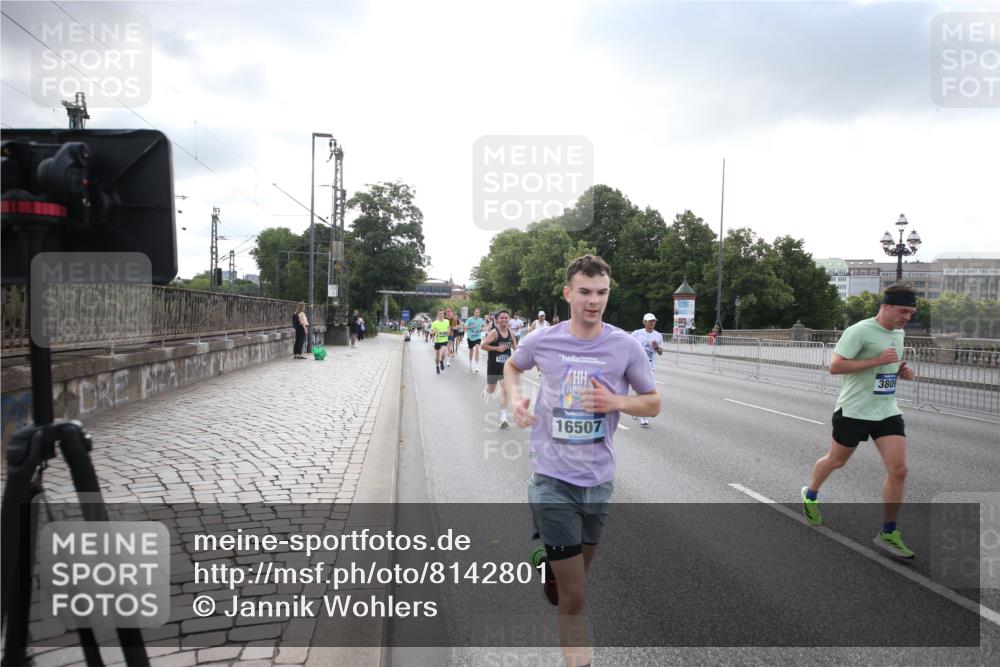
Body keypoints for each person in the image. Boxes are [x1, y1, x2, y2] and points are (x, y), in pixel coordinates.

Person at [505, 255, 660, 667]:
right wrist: (515, 397)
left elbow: (654, 403)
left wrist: (617, 401)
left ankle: (549, 567)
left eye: (602, 293)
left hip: (599, 481)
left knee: (574, 578)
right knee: (575, 596)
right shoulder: (544, 340)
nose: (594, 301)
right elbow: (511, 366)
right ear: (568, 293)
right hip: (552, 480)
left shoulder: (624, 346)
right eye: (586, 292)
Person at [801, 283, 918, 559]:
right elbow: (835, 366)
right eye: (903, 311)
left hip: (886, 409)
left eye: (911, 313)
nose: (907, 318)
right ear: (886, 306)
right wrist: (877, 360)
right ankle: (811, 493)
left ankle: (888, 532)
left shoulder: (899, 333)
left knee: (899, 470)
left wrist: (900, 370)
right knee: (836, 460)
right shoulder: (859, 331)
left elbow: (889, 364)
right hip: (854, 410)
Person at [481, 309, 517, 427]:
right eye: (502, 318)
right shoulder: (494, 333)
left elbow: (515, 347)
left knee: (505, 389)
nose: (504, 319)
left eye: (506, 317)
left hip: (506, 366)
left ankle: (503, 418)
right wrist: (497, 349)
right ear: (497, 320)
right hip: (493, 366)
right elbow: (483, 345)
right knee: (492, 389)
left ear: (509, 319)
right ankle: (487, 389)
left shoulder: (511, 332)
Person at [630, 313, 664, 427]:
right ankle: (642, 416)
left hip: (650, 366)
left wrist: (657, 348)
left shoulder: (658, 335)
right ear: (644, 322)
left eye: (653, 321)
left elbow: (660, 353)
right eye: (649, 321)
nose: (652, 323)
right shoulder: (637, 333)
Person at [465, 308, 486, 372]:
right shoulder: (470, 319)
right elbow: (465, 327)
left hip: (477, 337)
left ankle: (476, 366)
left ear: (479, 313)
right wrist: (471, 326)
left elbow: (484, 326)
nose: (477, 313)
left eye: (478, 312)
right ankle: (471, 363)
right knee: (471, 351)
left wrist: (483, 329)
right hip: (470, 337)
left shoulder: (481, 319)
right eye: (476, 312)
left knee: (477, 350)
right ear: (474, 313)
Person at [431, 309, 450, 374]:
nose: (441, 315)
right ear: (437, 315)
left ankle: (441, 361)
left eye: (442, 313)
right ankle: (437, 367)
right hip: (437, 341)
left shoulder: (447, 321)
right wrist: (434, 331)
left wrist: (448, 331)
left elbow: (448, 329)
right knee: (437, 355)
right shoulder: (434, 323)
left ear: (444, 314)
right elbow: (431, 332)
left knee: (444, 353)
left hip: (444, 340)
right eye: (439, 313)